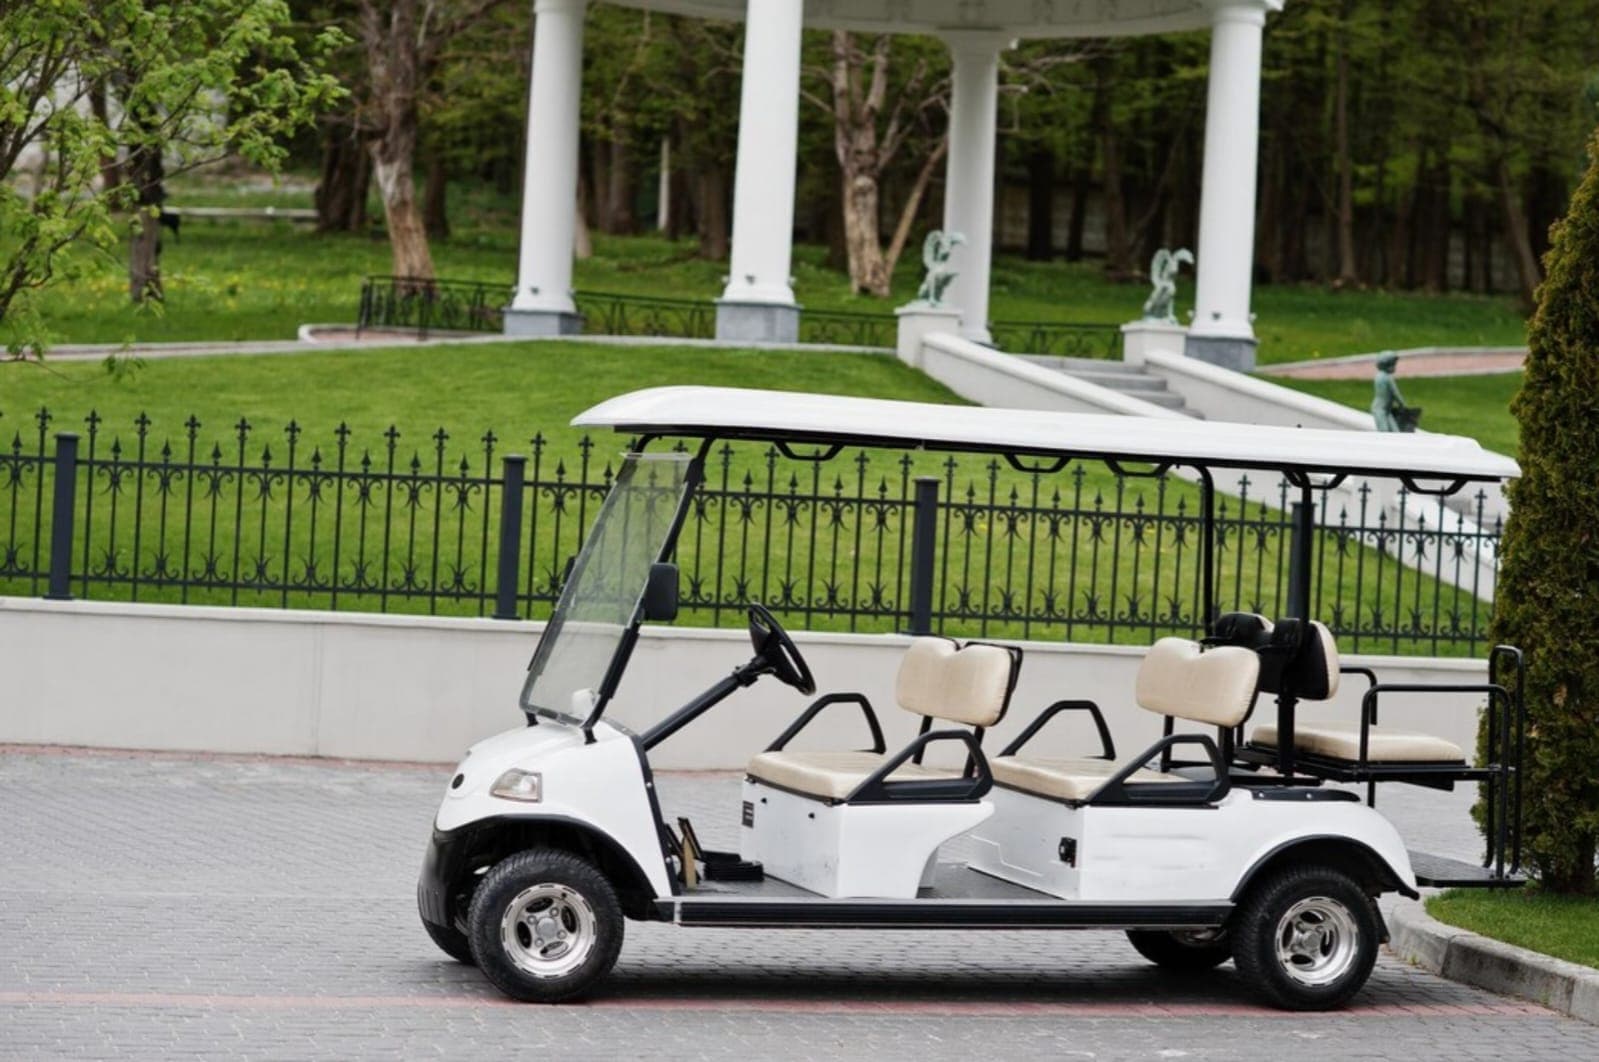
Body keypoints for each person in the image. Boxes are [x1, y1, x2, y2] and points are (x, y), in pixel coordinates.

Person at [1371, 351, 1411, 432]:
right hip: (1380, 409)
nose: (1395, 367)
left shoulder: (1379, 376)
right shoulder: (1387, 378)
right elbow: (1395, 393)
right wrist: (1402, 404)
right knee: (1384, 431)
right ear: (1387, 365)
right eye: (1394, 364)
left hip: (1385, 409)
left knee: (1394, 431)